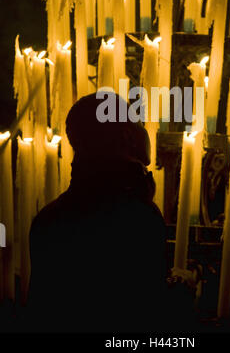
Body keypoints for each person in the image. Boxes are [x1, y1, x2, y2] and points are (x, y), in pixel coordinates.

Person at [26, 92, 197, 333]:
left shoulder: (49, 218)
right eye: (137, 121)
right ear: (127, 135)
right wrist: (181, 286)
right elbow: (141, 311)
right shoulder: (138, 217)